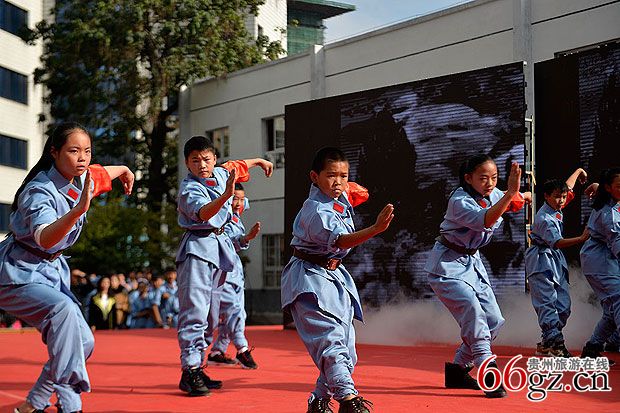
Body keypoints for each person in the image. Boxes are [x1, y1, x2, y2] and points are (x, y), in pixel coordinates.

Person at [0, 122, 134, 413]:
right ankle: (70, 405)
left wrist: (124, 169)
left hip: (50, 272)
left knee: (83, 342)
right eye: (74, 151)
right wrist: (77, 212)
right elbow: (44, 237)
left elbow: (101, 173)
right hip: (18, 272)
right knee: (64, 311)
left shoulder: (82, 177)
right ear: (54, 152)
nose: (82, 158)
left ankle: (34, 403)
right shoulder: (38, 192)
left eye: (87, 151)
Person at [281, 147, 393, 413]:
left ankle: (319, 400)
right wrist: (375, 229)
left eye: (344, 176)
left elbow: (347, 192)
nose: (338, 182)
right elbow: (340, 241)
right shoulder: (315, 210)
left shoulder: (337, 199)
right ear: (314, 177)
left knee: (346, 348)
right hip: (308, 280)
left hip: (334, 278)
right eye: (331, 175)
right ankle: (348, 399)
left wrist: (350, 191)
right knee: (331, 342)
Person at [424, 154, 529, 398]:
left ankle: (458, 370)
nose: (490, 183)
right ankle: (487, 368)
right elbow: (487, 219)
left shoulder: (493, 194)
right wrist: (511, 193)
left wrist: (524, 195)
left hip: (473, 264)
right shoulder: (459, 201)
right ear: (468, 178)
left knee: (493, 321)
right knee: (473, 310)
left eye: (494, 177)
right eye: (483, 178)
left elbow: (514, 199)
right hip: (447, 266)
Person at [176, 135, 273, 396]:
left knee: (211, 315)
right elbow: (203, 213)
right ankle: (189, 369)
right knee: (195, 312)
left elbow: (238, 165)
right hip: (198, 248)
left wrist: (260, 161)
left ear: (215, 159)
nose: (201, 165)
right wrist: (226, 195)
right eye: (195, 160)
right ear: (187, 163)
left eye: (206, 159)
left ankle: (199, 366)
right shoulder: (189, 188)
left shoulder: (221, 172)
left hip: (220, 250)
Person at [525, 169, 590, 357]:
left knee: (563, 306)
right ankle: (556, 342)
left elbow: (568, 188)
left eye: (563, 197)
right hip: (541, 259)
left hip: (554, 259)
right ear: (546, 196)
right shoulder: (545, 218)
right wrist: (581, 238)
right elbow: (557, 242)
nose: (561, 200)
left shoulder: (555, 208)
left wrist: (579, 171)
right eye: (557, 197)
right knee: (547, 302)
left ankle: (547, 341)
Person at [208, 184, 260, 368]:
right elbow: (225, 243)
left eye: (241, 199)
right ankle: (242, 348)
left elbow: (235, 243)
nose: (238, 203)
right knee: (234, 311)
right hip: (224, 273)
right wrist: (245, 238)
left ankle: (217, 351)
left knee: (233, 313)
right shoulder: (221, 217)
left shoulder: (236, 217)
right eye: (234, 198)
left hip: (235, 274)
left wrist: (247, 237)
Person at [580, 167, 620, 362]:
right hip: (599, 260)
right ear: (609, 188)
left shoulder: (612, 201)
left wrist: (597, 186)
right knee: (618, 299)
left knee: (613, 307)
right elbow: (617, 243)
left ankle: (592, 349)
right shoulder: (609, 214)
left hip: (605, 258)